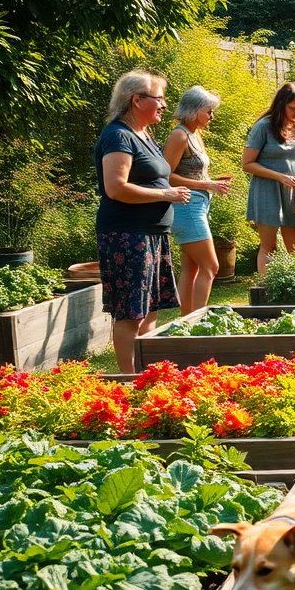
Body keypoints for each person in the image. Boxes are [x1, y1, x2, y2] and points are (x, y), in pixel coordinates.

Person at [93, 71, 192, 373]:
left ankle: (147, 375)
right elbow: (116, 188)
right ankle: (129, 378)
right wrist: (166, 194)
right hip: (128, 235)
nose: (164, 105)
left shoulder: (144, 135)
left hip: (152, 234)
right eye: (159, 98)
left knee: (150, 308)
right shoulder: (118, 136)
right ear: (136, 100)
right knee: (131, 312)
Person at [164, 85, 230, 314]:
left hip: (198, 205)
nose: (211, 116)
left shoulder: (195, 135)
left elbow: (195, 173)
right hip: (186, 206)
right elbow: (166, 176)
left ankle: (186, 321)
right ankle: (200, 320)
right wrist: (207, 185)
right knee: (211, 266)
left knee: (191, 268)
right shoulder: (179, 135)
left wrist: (214, 182)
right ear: (193, 111)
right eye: (208, 111)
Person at [244, 82, 295, 274]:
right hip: (266, 191)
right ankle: (265, 288)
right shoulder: (263, 127)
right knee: (269, 247)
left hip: (292, 192)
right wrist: (280, 176)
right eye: (292, 108)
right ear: (281, 105)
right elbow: (247, 164)